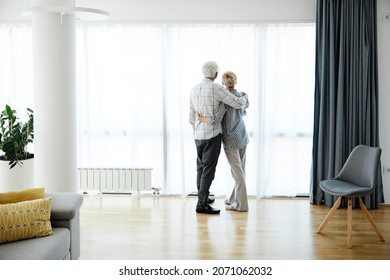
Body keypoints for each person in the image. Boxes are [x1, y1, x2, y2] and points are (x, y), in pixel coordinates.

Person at [189, 62, 248, 214]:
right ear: (215, 74)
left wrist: (197, 125)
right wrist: (244, 97)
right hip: (213, 135)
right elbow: (236, 103)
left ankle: (204, 198)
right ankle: (202, 204)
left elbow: (191, 116)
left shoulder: (194, 89)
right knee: (209, 170)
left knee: (200, 168)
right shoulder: (216, 89)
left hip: (199, 136)